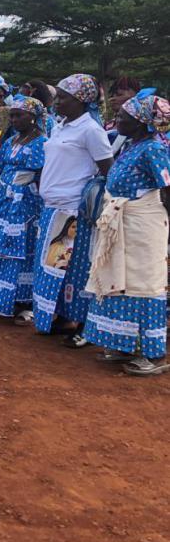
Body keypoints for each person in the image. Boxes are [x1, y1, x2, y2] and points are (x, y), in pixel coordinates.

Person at [83, 92, 170, 375]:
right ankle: (124, 345)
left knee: (143, 283)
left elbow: (167, 189)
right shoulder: (133, 145)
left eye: (124, 116)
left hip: (142, 226)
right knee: (120, 279)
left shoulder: (153, 149)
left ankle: (153, 355)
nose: (118, 119)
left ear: (142, 122)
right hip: (123, 222)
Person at [32, 74, 113, 344]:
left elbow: (107, 171)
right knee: (54, 267)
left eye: (64, 97)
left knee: (75, 269)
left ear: (81, 101)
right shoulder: (61, 126)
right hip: (51, 208)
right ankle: (64, 317)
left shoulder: (91, 130)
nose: (58, 102)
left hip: (72, 211)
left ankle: (83, 326)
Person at [0, 96, 46, 323]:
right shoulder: (10, 142)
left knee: (21, 251)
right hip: (3, 203)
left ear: (33, 118)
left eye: (18, 115)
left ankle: (22, 303)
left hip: (27, 205)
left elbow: (44, 176)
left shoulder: (42, 143)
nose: (13, 120)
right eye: (11, 115)